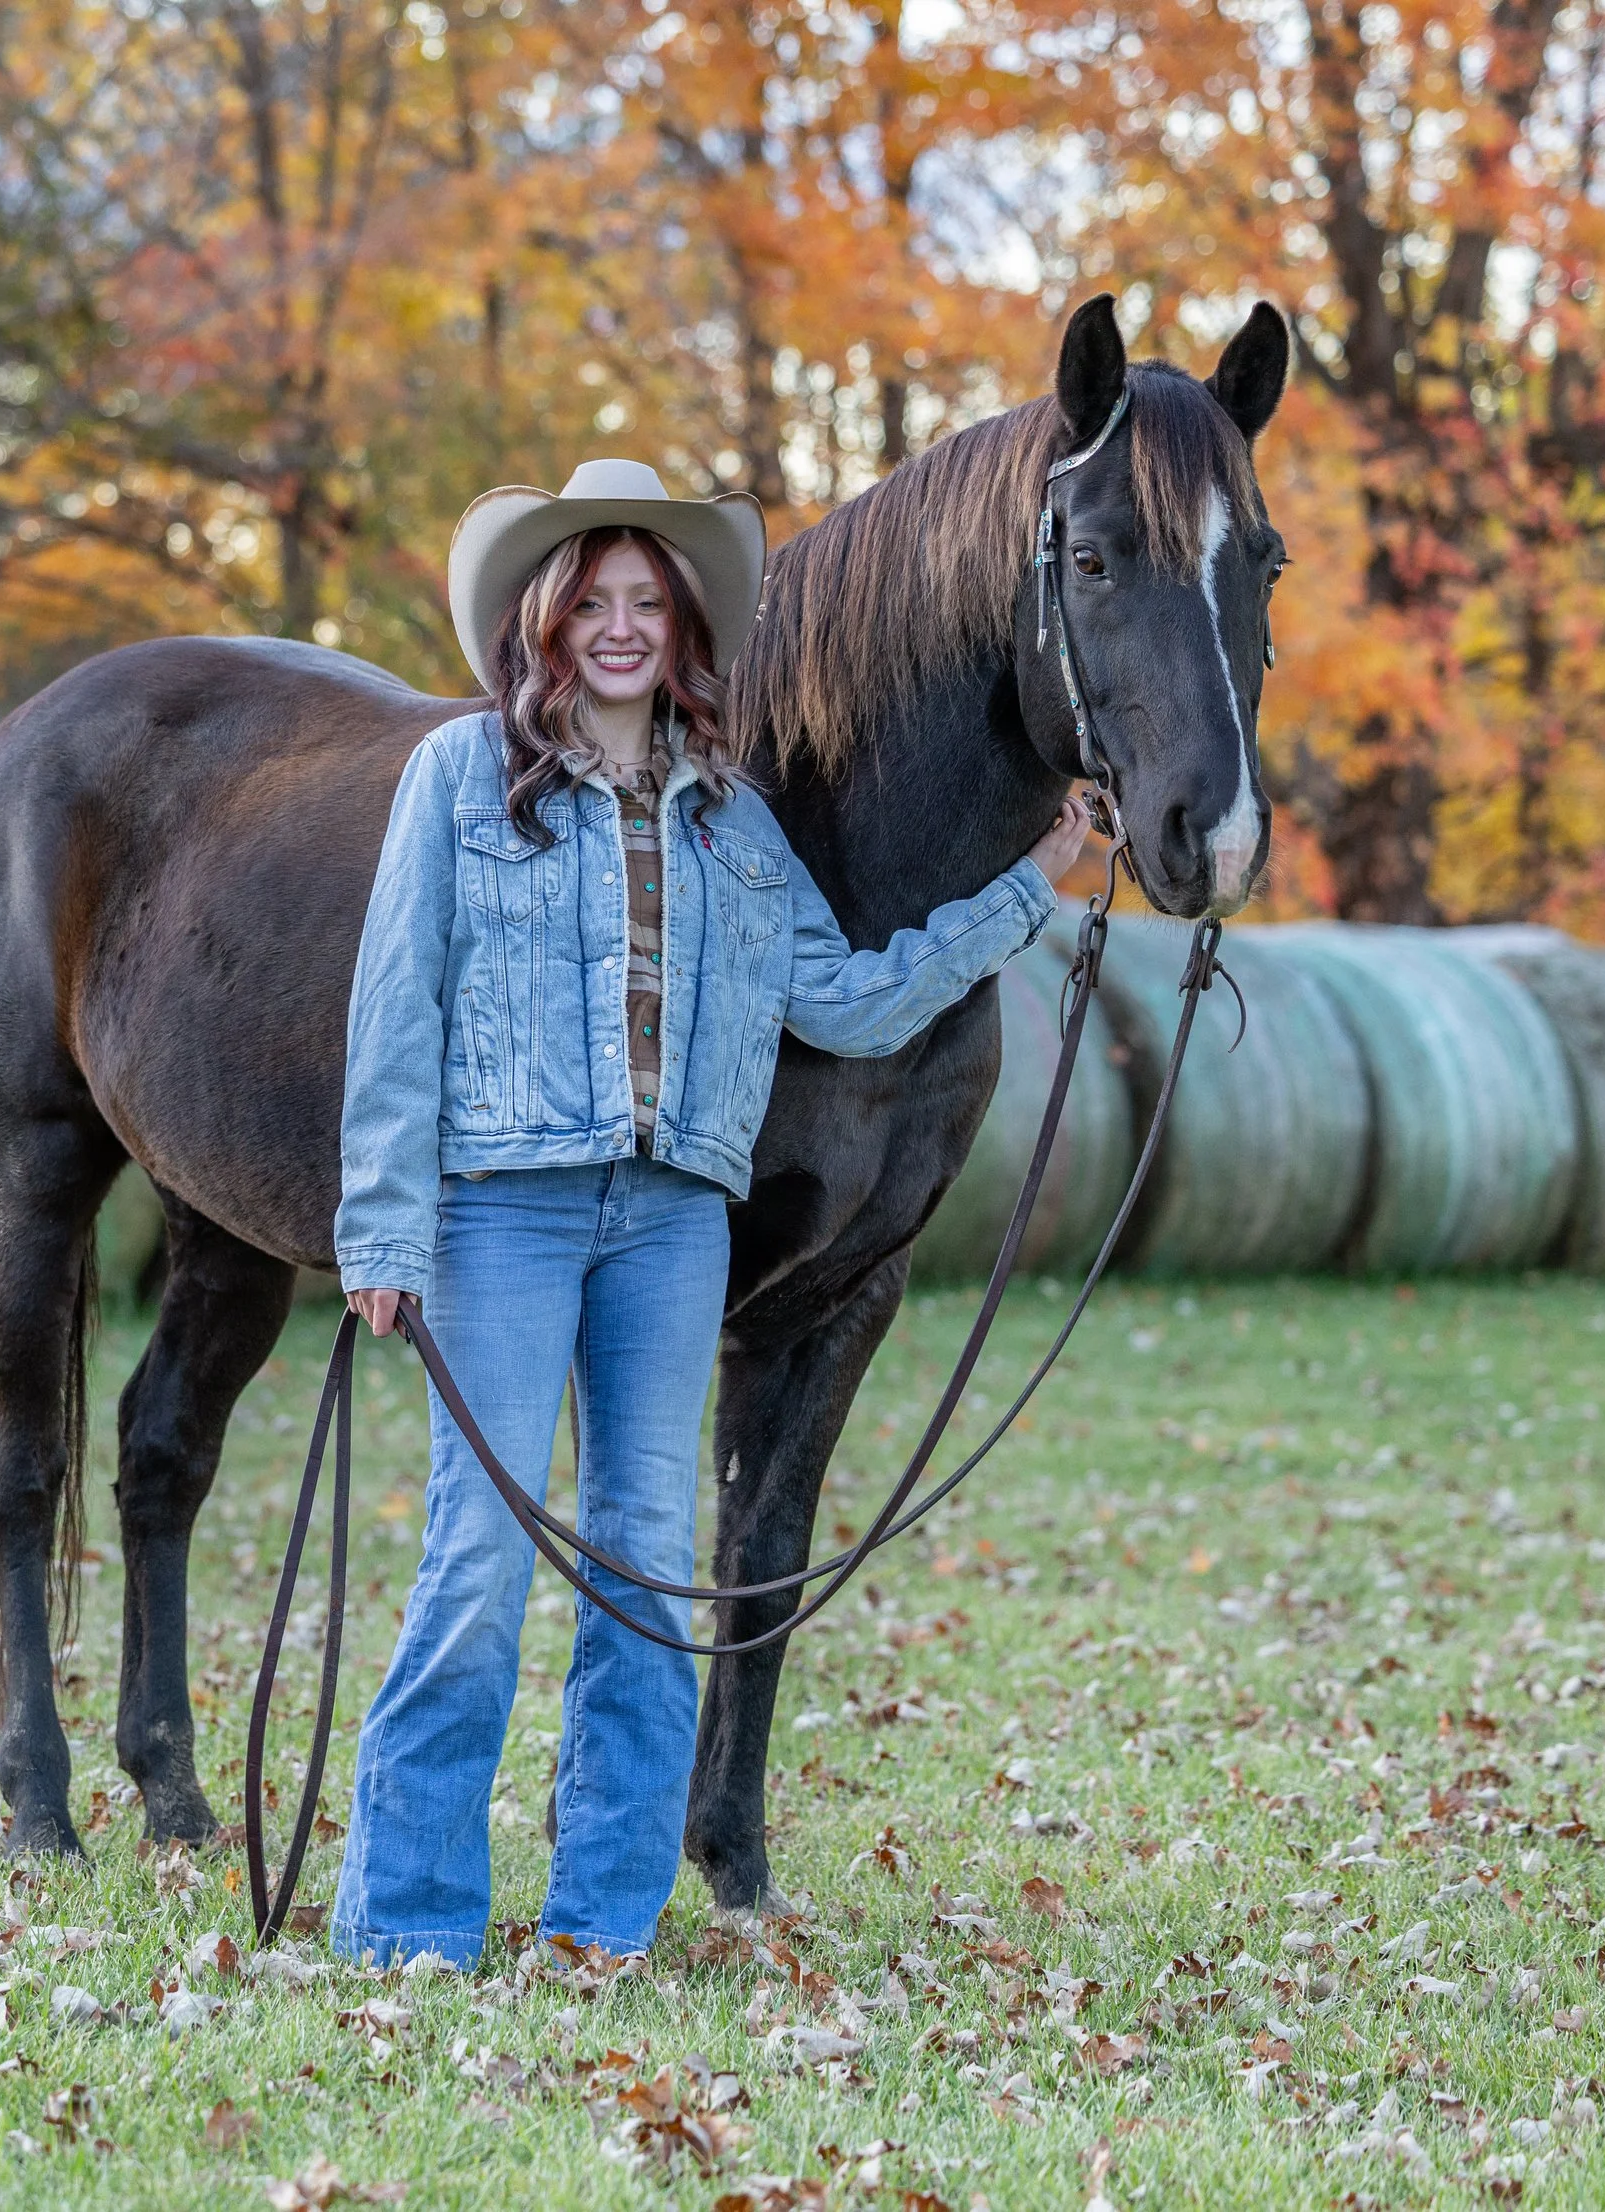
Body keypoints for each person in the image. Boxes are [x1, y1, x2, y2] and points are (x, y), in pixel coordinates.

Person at [330, 458, 1092, 1967]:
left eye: (648, 603)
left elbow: (856, 1003)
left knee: (645, 1565)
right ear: (546, 623)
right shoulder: (458, 782)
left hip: (674, 1223)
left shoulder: (738, 829)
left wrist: (1033, 885)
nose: (621, 628)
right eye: (592, 602)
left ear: (683, 632)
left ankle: (604, 1917)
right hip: (509, 1213)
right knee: (480, 1560)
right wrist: (384, 1227)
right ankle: (409, 1921)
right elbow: (393, 1004)